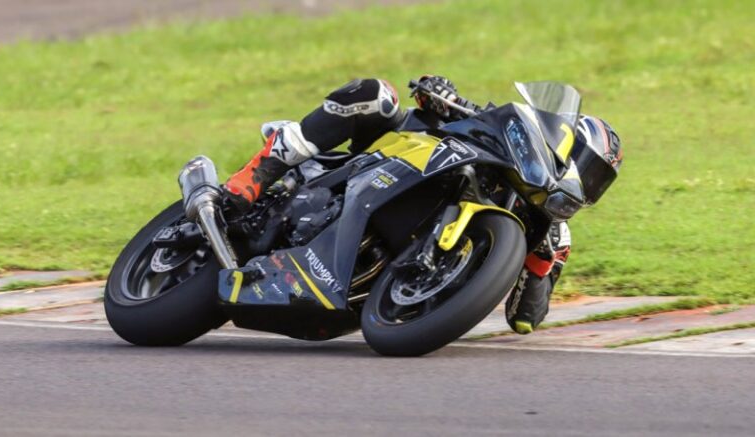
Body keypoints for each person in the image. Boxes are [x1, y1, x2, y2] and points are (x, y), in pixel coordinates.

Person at [222, 76, 623, 334]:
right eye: (586, 166)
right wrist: (441, 96)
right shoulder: (501, 135)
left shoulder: (549, 235)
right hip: (391, 158)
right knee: (377, 94)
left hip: (376, 300)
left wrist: (542, 263)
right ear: (562, 142)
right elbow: (436, 102)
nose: (586, 182)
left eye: (597, 181)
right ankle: (252, 177)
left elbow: (524, 319)